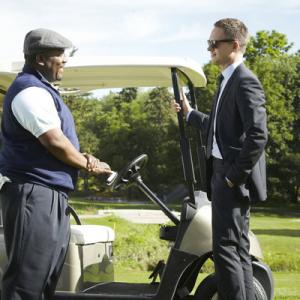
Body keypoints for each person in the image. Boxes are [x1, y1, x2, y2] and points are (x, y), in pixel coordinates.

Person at [0, 28, 112, 300]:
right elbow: (55, 142)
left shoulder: (42, 91)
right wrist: (90, 166)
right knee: (27, 282)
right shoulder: (29, 91)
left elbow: (60, 143)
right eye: (59, 55)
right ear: (40, 59)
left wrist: (85, 157)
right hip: (33, 194)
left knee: (45, 279)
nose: (64, 60)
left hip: (48, 195)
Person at [173, 18, 268, 299]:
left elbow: (258, 135)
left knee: (225, 250)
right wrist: (190, 114)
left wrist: (232, 176)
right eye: (209, 43)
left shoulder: (245, 81)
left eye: (215, 43)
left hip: (230, 177)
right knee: (236, 250)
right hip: (221, 174)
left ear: (234, 45)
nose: (210, 48)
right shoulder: (227, 79)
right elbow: (218, 128)